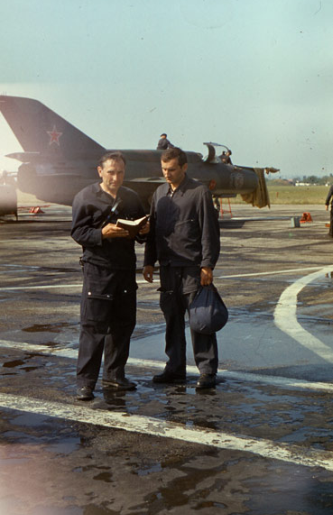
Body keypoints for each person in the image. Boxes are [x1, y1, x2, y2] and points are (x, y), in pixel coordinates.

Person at [71, 151, 149, 400]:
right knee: (93, 328)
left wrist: (143, 231)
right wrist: (102, 233)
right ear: (100, 171)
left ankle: (115, 376)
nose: (116, 177)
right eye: (111, 172)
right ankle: (86, 383)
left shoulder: (132, 197)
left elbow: (140, 233)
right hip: (98, 271)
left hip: (125, 271)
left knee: (123, 325)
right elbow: (78, 232)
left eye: (120, 172)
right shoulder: (85, 197)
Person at [143, 147, 221, 389]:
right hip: (167, 269)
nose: (167, 174)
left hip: (192, 269)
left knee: (200, 321)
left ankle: (207, 371)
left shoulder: (199, 192)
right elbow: (154, 232)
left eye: (172, 169)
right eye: (164, 169)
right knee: (172, 321)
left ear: (184, 167)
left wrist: (207, 265)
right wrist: (148, 261)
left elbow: (210, 232)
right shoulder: (159, 194)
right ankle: (174, 368)